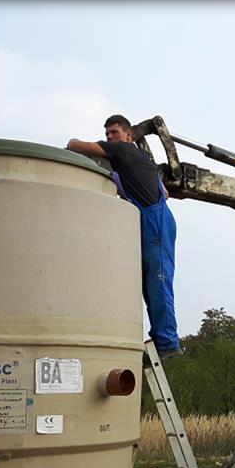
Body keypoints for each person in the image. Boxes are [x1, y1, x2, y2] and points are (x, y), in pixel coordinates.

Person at [67, 115, 181, 357]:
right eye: (107, 134)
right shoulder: (137, 162)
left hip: (154, 220)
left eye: (114, 132)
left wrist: (71, 143)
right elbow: (165, 191)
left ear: (129, 135)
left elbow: (78, 145)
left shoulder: (123, 150)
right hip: (153, 216)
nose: (110, 137)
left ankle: (168, 344)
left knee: (158, 281)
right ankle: (161, 338)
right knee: (149, 283)